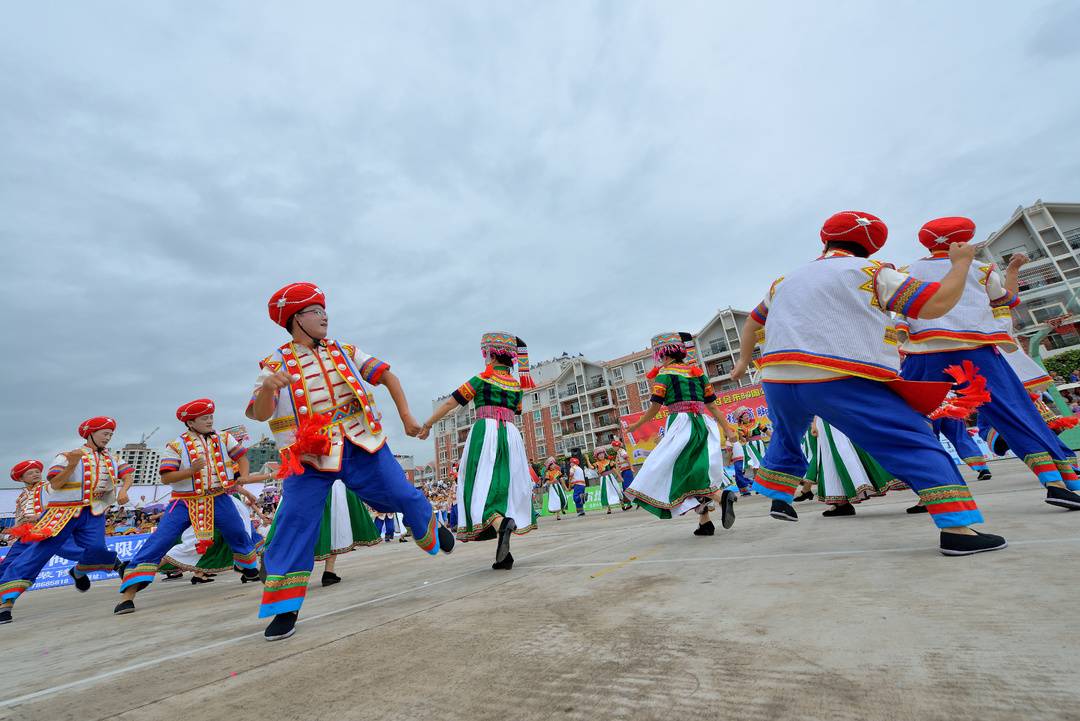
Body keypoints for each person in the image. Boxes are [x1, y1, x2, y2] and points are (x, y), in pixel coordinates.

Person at [730, 210, 1005, 555]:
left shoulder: (784, 280)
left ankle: (779, 493)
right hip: (837, 375)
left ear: (824, 239)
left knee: (787, 435)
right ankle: (958, 530)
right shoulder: (872, 272)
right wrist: (961, 264)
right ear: (871, 248)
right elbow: (935, 305)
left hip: (776, 378)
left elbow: (752, 325)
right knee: (913, 441)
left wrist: (742, 361)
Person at [247, 282, 452, 641]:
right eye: (314, 311)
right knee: (295, 523)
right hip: (308, 456)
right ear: (295, 319)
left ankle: (428, 527)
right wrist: (267, 387)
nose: (324, 316)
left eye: (324, 309)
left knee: (402, 495)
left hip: (362, 443)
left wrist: (405, 417)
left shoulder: (346, 350)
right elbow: (260, 414)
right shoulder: (274, 363)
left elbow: (387, 375)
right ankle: (283, 608)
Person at [897, 217, 1080, 511]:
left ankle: (932, 494)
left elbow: (898, 313)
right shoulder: (982, 269)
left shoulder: (907, 272)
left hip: (924, 353)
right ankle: (1057, 483)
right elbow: (1006, 301)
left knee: (916, 423)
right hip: (976, 350)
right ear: (963, 240)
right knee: (1016, 414)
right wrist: (1012, 271)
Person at [114, 399, 260, 614]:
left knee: (238, 532)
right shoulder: (175, 446)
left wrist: (244, 477)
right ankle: (128, 595)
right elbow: (166, 478)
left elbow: (242, 457)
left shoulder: (224, 438)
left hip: (219, 498)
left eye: (211, 416)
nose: (210, 420)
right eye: (204, 418)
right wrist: (191, 470)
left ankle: (248, 569)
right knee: (160, 540)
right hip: (184, 502)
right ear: (190, 422)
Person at [420, 332, 538, 570]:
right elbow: (517, 409)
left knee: (479, 487)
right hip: (512, 434)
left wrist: (428, 423)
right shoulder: (516, 385)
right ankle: (504, 555)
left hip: (486, 431)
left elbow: (450, 402)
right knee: (503, 488)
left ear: (492, 355)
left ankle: (501, 523)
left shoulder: (482, 379)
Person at [1, 417, 134, 623]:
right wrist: (72, 464)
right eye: (104, 433)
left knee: (97, 550)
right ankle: (6, 603)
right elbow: (56, 483)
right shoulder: (65, 457)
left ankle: (78, 571)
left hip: (94, 512)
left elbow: (127, 475)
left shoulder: (114, 459)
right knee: (36, 555)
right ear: (90, 433)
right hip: (61, 514)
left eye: (110, 434)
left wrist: (124, 491)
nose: (108, 438)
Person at [624, 333, 737, 536]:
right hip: (703, 423)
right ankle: (705, 522)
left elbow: (654, 408)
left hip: (681, 424)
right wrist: (727, 428)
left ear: (663, 355)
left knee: (678, 471)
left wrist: (637, 425)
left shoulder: (665, 374)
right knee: (696, 469)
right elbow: (712, 404)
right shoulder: (697, 372)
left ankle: (722, 497)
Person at [804, 417, 906, 516]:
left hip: (832, 417)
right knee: (834, 457)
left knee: (844, 453)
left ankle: (909, 479)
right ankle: (841, 504)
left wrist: (814, 422)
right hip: (830, 418)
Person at [0, 461, 85, 576]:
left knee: (79, 553)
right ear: (21, 478)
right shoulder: (21, 498)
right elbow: (19, 521)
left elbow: (64, 503)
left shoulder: (48, 487)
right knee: (8, 563)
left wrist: (40, 516)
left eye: (37, 472)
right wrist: (11, 531)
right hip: (29, 534)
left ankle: (115, 565)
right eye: (30, 473)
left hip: (52, 530)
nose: (35, 474)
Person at [594, 448, 630, 512]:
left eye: (602, 454)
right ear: (597, 456)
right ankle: (609, 509)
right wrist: (587, 460)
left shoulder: (609, 461)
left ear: (604, 454)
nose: (601, 455)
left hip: (611, 478)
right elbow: (596, 471)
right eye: (599, 454)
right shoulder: (597, 464)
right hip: (603, 479)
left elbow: (614, 470)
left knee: (617, 490)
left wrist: (620, 477)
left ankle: (622, 505)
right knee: (606, 493)